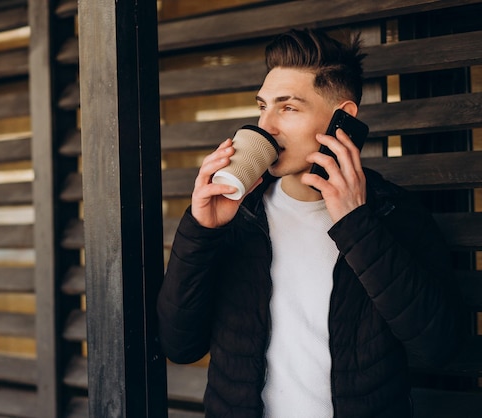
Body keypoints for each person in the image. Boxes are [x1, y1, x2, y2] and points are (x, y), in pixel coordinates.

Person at [156, 28, 465, 417]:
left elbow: (439, 346)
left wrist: (356, 224)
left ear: (343, 118)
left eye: (287, 108)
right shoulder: (239, 215)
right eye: (262, 106)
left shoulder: (394, 214)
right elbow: (178, 344)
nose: (265, 125)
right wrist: (202, 231)